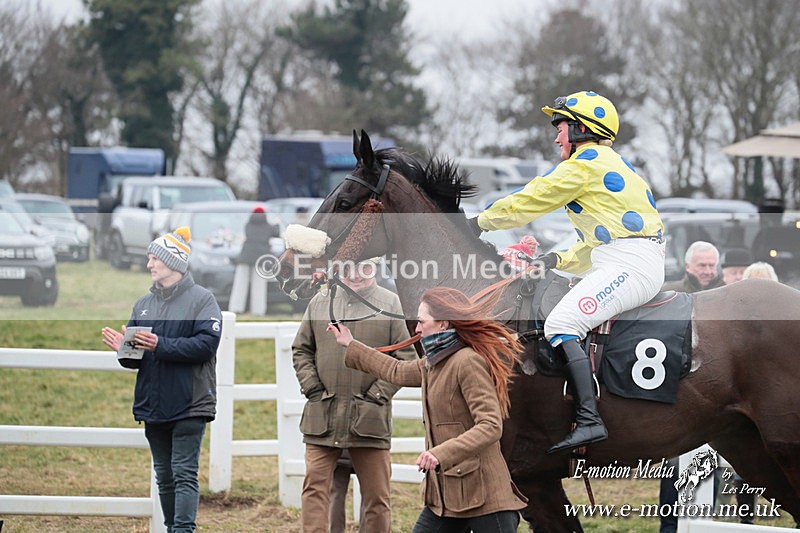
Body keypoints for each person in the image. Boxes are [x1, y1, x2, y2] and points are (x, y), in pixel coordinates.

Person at [467, 90, 665, 454]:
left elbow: (531, 198)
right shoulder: (608, 163)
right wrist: (557, 260)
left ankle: (590, 420)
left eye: (561, 128)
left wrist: (479, 221)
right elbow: (601, 240)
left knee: (561, 324)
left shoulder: (585, 164)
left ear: (580, 130)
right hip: (623, 258)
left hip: (631, 264)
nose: (557, 136)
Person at [328, 286, 527, 532]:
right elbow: (396, 371)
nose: (417, 328)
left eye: (422, 321)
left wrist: (439, 453)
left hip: (487, 500)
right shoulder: (433, 362)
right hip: (445, 499)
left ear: (443, 323)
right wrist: (350, 344)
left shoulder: (467, 362)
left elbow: (490, 426)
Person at [101, 227, 222, 533]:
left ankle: (182, 530)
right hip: (154, 404)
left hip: (191, 403)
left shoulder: (203, 300)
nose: (149, 264)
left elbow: (207, 346)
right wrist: (123, 349)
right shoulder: (143, 304)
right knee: (164, 476)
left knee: (183, 473)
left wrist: (160, 344)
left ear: (174, 262)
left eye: (154, 258)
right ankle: (172, 528)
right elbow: (134, 359)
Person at [292, 258, 416, 533]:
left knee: (377, 497)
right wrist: (313, 388)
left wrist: (376, 395)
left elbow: (406, 356)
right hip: (322, 416)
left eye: (365, 268)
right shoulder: (321, 301)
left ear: (375, 269)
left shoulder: (391, 304)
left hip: (370, 420)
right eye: (349, 269)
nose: (357, 275)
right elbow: (301, 349)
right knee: (314, 490)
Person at [229, 206, 279, 315]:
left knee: (240, 284)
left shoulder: (248, 225)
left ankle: (236, 308)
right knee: (259, 286)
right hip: (261, 258)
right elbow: (277, 233)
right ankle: (258, 310)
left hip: (245, 256)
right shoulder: (268, 226)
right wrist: (276, 223)